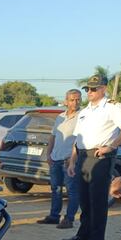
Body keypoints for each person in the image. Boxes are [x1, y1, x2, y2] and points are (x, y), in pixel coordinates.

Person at [64, 74, 121, 240]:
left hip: (100, 157)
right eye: (87, 88)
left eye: (93, 88)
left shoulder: (112, 107)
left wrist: (111, 146)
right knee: (84, 199)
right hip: (83, 156)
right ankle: (83, 235)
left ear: (103, 88)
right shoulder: (86, 111)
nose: (89, 91)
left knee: (97, 200)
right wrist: (73, 161)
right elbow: (77, 139)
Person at [36, 89, 81, 229]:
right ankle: (54, 216)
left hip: (69, 161)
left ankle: (69, 219)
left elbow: (81, 140)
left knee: (72, 191)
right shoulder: (60, 117)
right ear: (66, 101)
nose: (75, 102)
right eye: (72, 99)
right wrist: (48, 154)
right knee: (55, 189)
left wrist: (73, 158)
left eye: (78, 99)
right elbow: (53, 136)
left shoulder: (82, 117)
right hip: (55, 159)